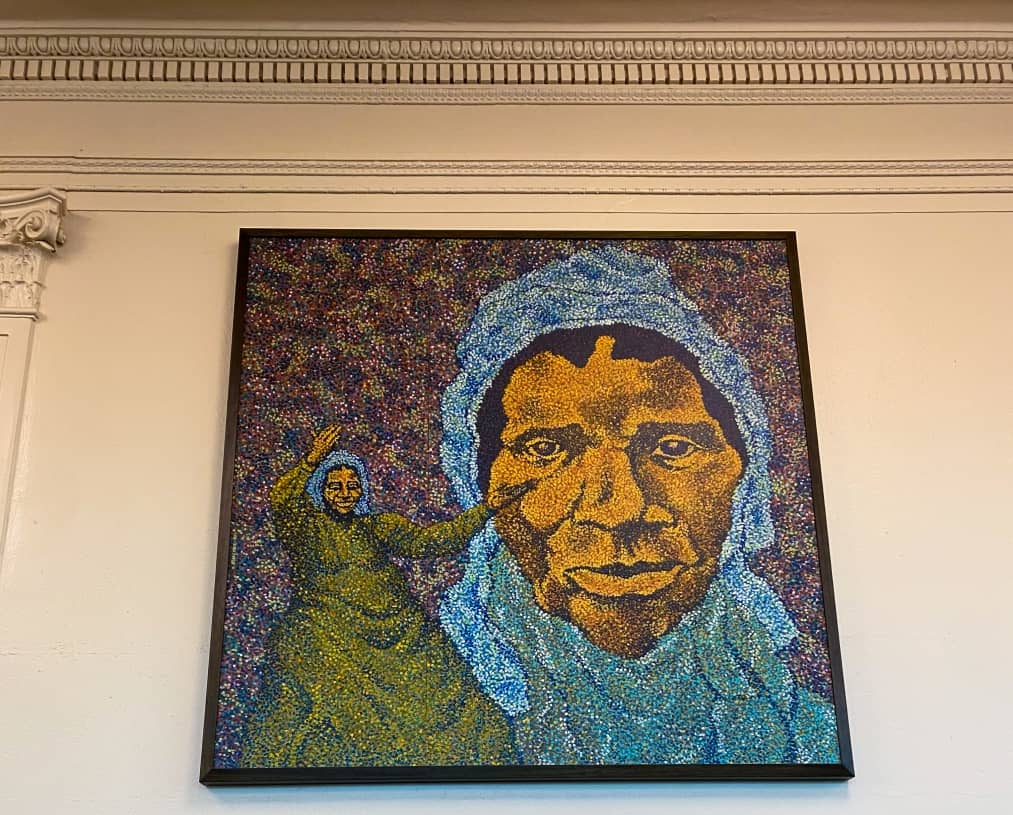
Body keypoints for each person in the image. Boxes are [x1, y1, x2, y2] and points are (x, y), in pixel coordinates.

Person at [437, 246, 842, 766]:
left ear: (743, 483)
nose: (619, 509)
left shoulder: (812, 740)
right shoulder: (429, 730)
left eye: (673, 447)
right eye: (546, 449)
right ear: (482, 488)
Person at [240, 424, 519, 768]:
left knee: (454, 701)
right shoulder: (306, 527)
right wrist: (312, 460)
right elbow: (283, 501)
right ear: (321, 489)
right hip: (330, 635)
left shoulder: (376, 526)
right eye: (335, 486)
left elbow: (434, 541)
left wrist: (486, 508)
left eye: (352, 485)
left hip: (402, 634)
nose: (345, 493)